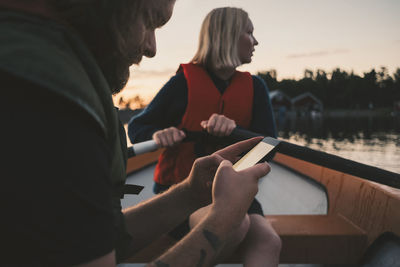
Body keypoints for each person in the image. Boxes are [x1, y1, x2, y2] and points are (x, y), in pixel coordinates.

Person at [1, 1, 273, 266]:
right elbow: (142, 126)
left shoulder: (55, 87)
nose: (153, 48)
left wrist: (190, 192)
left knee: (267, 240)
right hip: (189, 187)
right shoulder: (48, 103)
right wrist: (222, 219)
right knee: (238, 227)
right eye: (150, 20)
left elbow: (102, 237)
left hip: (218, 189)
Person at [128, 7, 281, 266]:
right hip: (182, 193)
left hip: (234, 191)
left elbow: (269, 147)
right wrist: (158, 134)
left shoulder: (256, 87)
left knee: (268, 241)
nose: (255, 41)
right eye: (250, 32)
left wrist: (234, 133)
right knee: (237, 225)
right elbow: (137, 128)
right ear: (229, 35)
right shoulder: (181, 84)